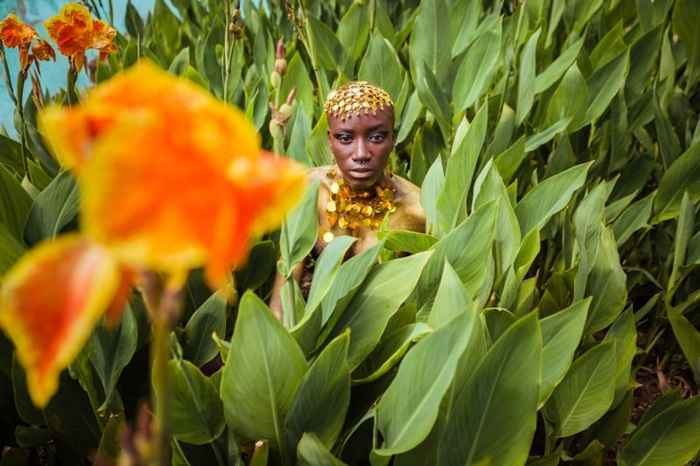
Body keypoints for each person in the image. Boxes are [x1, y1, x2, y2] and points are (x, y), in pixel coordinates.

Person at [269, 81, 426, 319]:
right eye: (345, 138)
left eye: (376, 137)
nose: (361, 154)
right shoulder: (309, 190)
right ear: (330, 141)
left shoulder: (417, 211)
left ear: (393, 139)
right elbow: (282, 301)